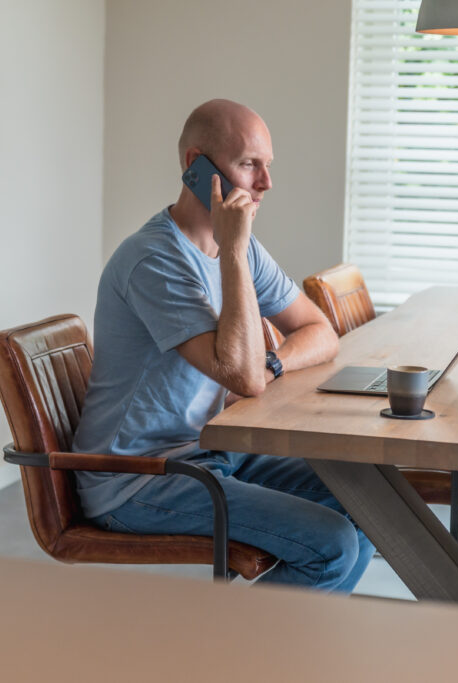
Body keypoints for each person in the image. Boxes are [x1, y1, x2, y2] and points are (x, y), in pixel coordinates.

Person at [71, 99, 374, 591]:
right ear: (197, 167)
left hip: (211, 451)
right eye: (249, 164)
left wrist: (274, 362)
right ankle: (242, 657)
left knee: (369, 502)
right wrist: (233, 248)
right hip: (139, 479)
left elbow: (319, 330)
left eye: (267, 166)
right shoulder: (154, 259)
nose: (265, 183)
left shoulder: (242, 247)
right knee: (333, 544)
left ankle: (288, 652)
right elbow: (242, 377)